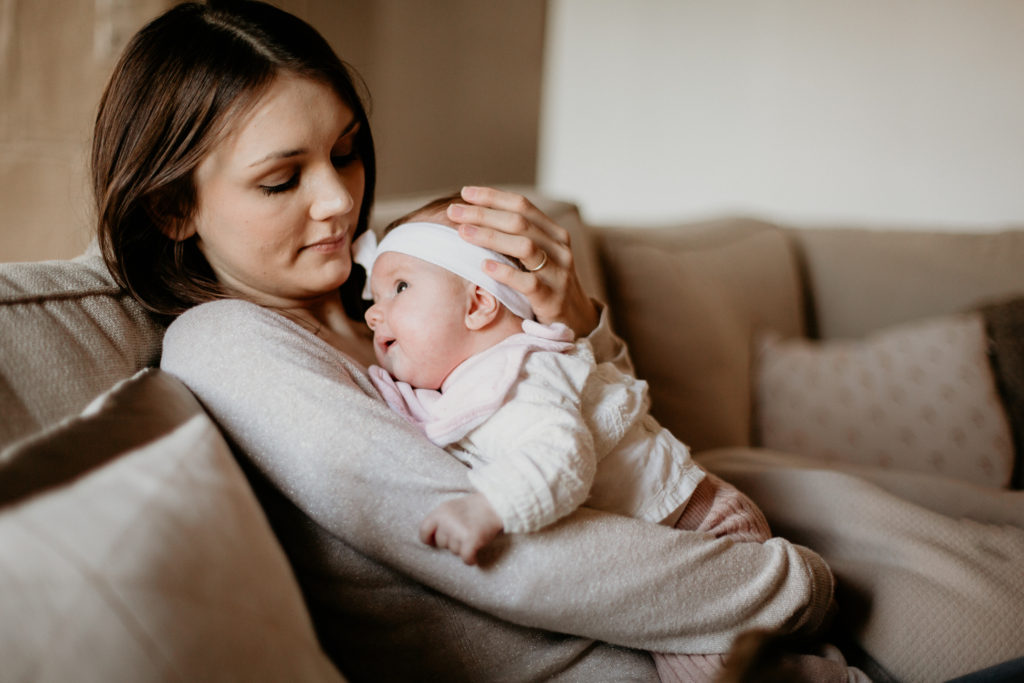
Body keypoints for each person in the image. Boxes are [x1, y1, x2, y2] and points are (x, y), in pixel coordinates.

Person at [92, 2, 836, 680]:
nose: (340, 200)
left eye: (346, 151)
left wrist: (575, 323)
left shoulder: (399, 293)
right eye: (283, 179)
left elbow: (610, 442)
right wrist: (792, 585)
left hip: (705, 604)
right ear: (171, 208)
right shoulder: (228, 344)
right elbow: (505, 555)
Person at [358, 194, 773, 682]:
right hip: (672, 528)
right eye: (372, 299)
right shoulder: (475, 380)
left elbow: (562, 457)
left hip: (702, 526)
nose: (372, 314)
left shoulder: (523, 375)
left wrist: (486, 506)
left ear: (478, 303)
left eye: (400, 287)